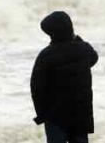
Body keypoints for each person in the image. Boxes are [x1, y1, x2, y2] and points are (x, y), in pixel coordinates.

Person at [31, 11, 99, 143]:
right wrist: (76, 39)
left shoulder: (46, 55)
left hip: (55, 116)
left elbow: (36, 87)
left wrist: (41, 114)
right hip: (81, 114)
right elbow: (94, 58)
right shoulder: (84, 50)